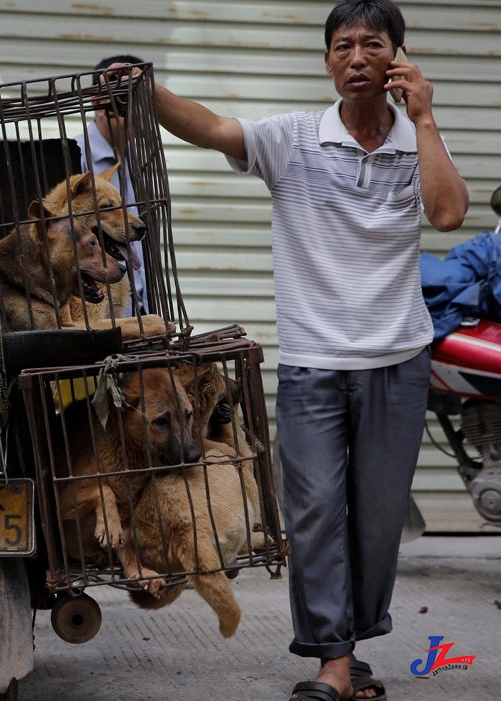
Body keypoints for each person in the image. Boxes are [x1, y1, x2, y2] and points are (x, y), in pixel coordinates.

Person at [151, 1, 468, 700]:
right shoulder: (292, 139)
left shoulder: (418, 143)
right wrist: (146, 87)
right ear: (327, 60)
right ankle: (331, 661)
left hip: (397, 360)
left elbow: (448, 213)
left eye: (373, 45)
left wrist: (424, 119)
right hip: (312, 363)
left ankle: (348, 653)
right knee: (316, 508)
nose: (357, 57)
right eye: (343, 46)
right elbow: (209, 127)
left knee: (378, 516)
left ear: (398, 61)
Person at [72, 54, 148, 316]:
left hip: (142, 309)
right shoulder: (75, 157)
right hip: (99, 313)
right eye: (126, 100)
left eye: (142, 101)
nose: (137, 110)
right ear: (97, 100)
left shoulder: (145, 162)